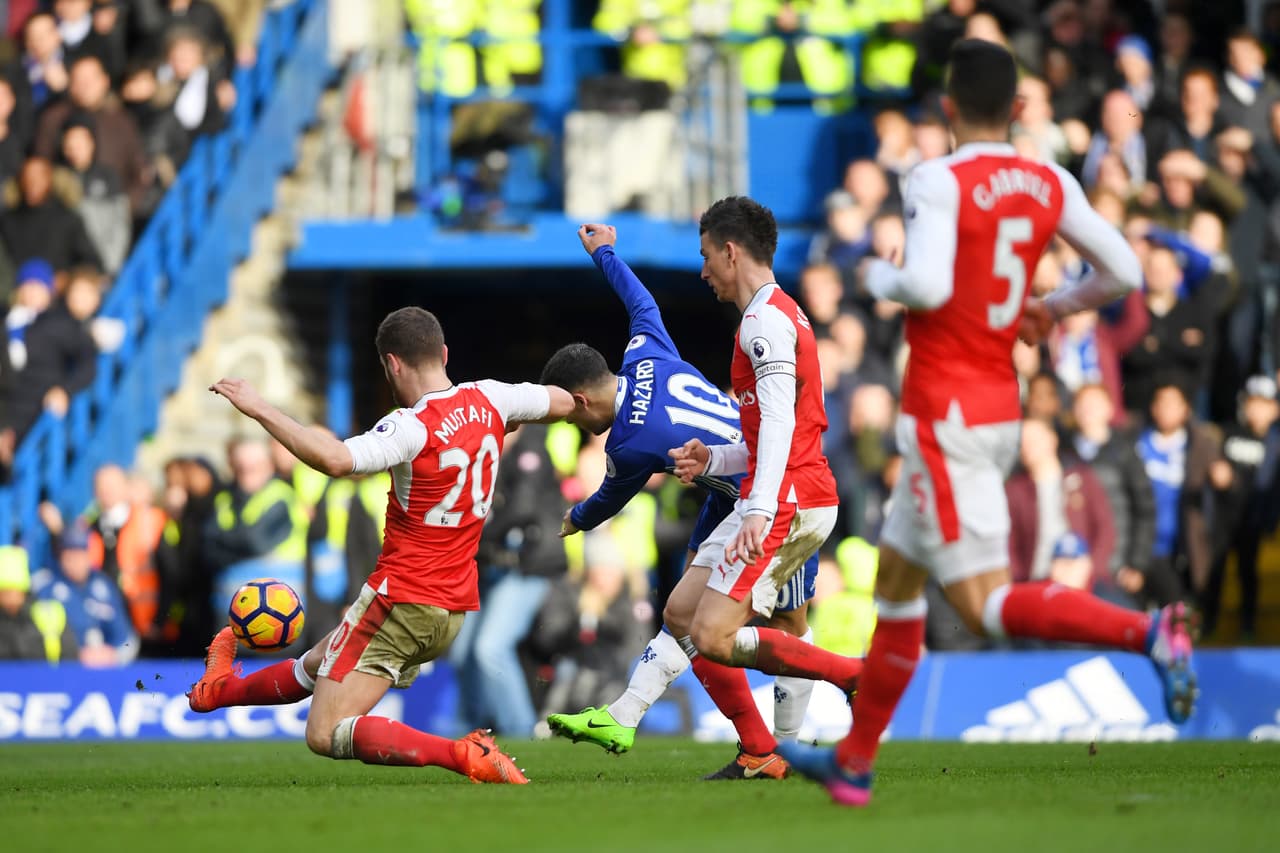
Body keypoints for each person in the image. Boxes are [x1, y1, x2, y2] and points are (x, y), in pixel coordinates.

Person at [779, 40, 1196, 808]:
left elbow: (929, 281)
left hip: (947, 415)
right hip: (996, 404)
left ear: (946, 106)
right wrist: (1052, 308)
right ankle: (855, 762)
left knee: (983, 604)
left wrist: (877, 275)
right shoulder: (1046, 179)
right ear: (1017, 109)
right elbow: (1124, 272)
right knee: (899, 588)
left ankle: (1148, 630)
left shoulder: (936, 177)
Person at [187, 306, 572, 784]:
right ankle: (219, 691)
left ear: (391, 364)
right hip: (450, 610)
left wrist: (259, 407)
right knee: (316, 664)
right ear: (444, 353)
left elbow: (334, 458)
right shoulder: (493, 398)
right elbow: (562, 400)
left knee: (324, 733)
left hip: (401, 598)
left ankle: (462, 754)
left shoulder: (410, 426)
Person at [541, 223, 829, 780]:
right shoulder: (647, 349)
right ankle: (631, 715)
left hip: (770, 490)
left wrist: (575, 517)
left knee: (786, 626)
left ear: (583, 400)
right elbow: (639, 300)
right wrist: (604, 253)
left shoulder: (626, 443)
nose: (583, 430)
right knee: (680, 614)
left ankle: (794, 737)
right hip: (728, 494)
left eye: (575, 417)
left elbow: (608, 499)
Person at [666, 197, 864, 743]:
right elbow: (775, 431)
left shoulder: (763, 325)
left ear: (731, 252)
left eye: (707, 255)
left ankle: (851, 676)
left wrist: (758, 508)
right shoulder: (782, 313)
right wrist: (715, 458)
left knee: (711, 635)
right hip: (783, 488)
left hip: (788, 499)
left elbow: (779, 423)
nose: (703, 270)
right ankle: (774, 745)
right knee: (682, 614)